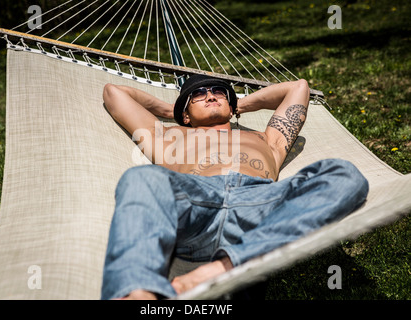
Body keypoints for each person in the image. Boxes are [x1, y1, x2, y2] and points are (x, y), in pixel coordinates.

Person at [100, 74, 369, 300]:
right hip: (195, 202)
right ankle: (138, 293)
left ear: (231, 107)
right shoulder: (167, 136)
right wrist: (173, 111)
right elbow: (114, 92)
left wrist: (237, 104)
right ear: (184, 114)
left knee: (345, 174)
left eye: (218, 92)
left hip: (261, 202)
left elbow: (298, 87)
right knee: (140, 178)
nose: (210, 96)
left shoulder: (268, 139)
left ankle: (224, 267)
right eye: (198, 94)